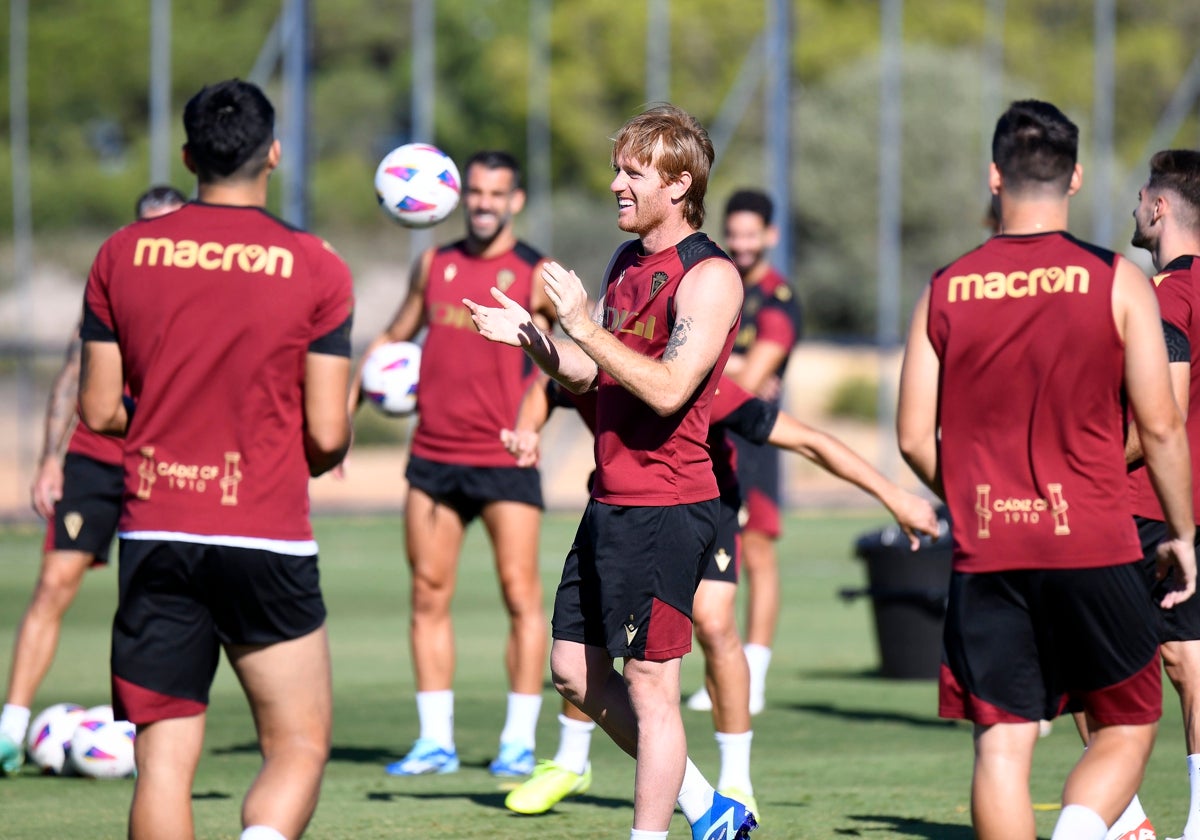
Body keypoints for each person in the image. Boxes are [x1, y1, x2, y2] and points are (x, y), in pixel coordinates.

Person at [897, 99, 1196, 840]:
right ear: (1076, 178)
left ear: (995, 177)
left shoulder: (946, 287)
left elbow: (912, 439)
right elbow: (1160, 425)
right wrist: (1184, 532)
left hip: (988, 545)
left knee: (1002, 745)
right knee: (1128, 724)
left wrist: (972, 502)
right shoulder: (1117, 281)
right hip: (1094, 537)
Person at [465, 103, 756, 840]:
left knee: (653, 688)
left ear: (680, 183)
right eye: (618, 168)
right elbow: (591, 379)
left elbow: (666, 387)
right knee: (572, 669)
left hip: (668, 504)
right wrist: (535, 340)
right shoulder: (626, 262)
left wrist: (584, 326)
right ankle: (710, 807)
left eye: (634, 172)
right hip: (610, 499)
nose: (617, 184)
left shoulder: (711, 276)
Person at [78, 79, 353, 840]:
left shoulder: (121, 253)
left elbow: (99, 412)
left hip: (155, 530)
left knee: (163, 763)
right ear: (272, 153)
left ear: (189, 155)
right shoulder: (315, 266)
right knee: (296, 745)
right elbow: (328, 438)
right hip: (264, 532)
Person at [499, 372, 940, 817]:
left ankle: (735, 779)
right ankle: (572, 762)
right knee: (589, 639)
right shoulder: (588, 368)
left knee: (712, 620)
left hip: (706, 504)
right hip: (623, 502)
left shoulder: (692, 384)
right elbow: (543, 387)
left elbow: (808, 441)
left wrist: (894, 496)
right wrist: (526, 430)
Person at [352, 150, 556, 777]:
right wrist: (342, 415)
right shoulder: (433, 264)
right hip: (434, 458)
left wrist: (529, 425)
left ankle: (518, 742)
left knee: (521, 598)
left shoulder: (534, 273)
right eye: (475, 192)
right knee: (427, 594)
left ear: (516, 200)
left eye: (497, 193)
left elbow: (558, 364)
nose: (484, 203)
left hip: (503, 460)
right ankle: (434, 742)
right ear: (459, 196)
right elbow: (392, 341)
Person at [0, 184, 186, 776]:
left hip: (166, 462)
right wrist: (50, 460)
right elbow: (73, 372)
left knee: (153, 600)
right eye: (147, 228)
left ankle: (143, 730)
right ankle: (9, 728)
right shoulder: (113, 285)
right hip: (95, 455)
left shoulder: (205, 294)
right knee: (55, 583)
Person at [688, 189, 803, 716]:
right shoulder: (715, 285)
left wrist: (703, 359)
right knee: (707, 560)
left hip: (752, 444)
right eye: (733, 233)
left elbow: (756, 376)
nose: (741, 242)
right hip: (706, 440)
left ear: (770, 236)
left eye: (751, 234)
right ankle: (722, 669)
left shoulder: (778, 299)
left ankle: (752, 671)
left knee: (756, 553)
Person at [1126, 149, 1200, 840]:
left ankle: (1125, 822)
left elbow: (1154, 420)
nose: (1134, 207)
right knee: (1189, 654)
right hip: (1187, 506)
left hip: (1148, 503)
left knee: (1090, 661)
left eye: (1140, 196)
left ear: (1159, 207)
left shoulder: (1160, 300)